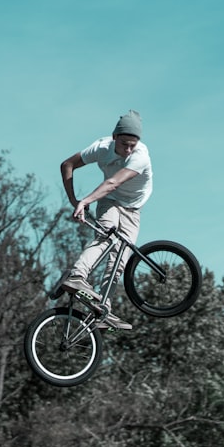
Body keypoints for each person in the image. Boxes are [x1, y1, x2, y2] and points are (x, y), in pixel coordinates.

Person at [59, 109, 153, 330]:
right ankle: (77, 275)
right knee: (106, 237)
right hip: (109, 201)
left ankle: (102, 307)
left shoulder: (140, 156)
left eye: (132, 145)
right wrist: (75, 200)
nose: (128, 150)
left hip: (132, 209)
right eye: (124, 145)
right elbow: (67, 165)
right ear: (114, 137)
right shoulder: (101, 147)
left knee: (119, 259)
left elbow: (114, 182)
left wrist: (85, 201)